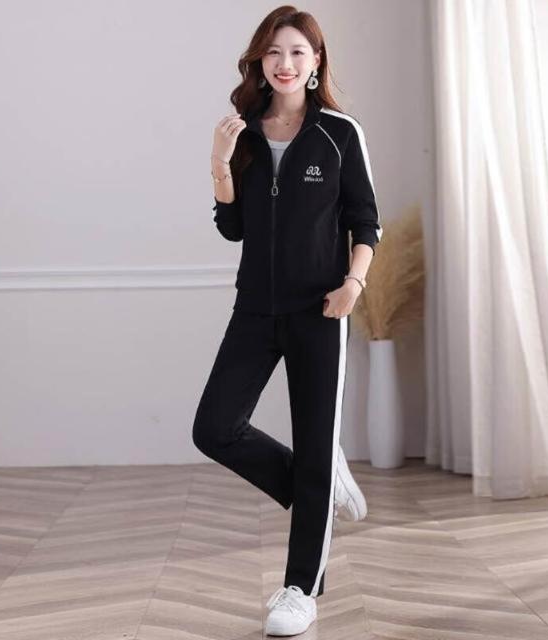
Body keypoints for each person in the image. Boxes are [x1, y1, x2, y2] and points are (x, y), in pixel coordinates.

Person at [192, 5, 382, 636]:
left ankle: (300, 590)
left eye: (298, 52)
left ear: (315, 61)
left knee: (313, 435)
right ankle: (319, 484)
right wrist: (220, 162)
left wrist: (354, 283)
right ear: (259, 61)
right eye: (273, 52)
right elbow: (233, 228)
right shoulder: (243, 133)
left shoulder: (340, 134)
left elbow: (365, 221)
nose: (285, 63)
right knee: (215, 428)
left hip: (321, 309)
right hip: (255, 306)